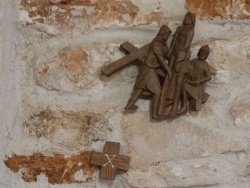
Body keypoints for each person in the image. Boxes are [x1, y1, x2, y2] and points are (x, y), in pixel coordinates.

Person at [125, 25, 172, 119]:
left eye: (168, 35)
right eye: (167, 34)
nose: (167, 36)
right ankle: (155, 113)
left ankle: (129, 105)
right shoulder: (157, 43)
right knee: (157, 92)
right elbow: (161, 59)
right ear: (162, 33)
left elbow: (168, 55)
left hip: (148, 69)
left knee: (140, 88)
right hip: (149, 69)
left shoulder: (162, 44)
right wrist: (168, 70)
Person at [158, 12, 196, 117]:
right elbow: (174, 41)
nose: (186, 18)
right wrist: (170, 54)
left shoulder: (190, 31)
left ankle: (176, 107)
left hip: (183, 59)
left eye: (189, 17)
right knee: (169, 80)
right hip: (174, 57)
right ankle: (165, 105)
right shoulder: (179, 28)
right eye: (186, 16)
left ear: (192, 20)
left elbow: (186, 47)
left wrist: (179, 61)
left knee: (179, 83)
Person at [178, 45, 211, 113]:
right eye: (202, 52)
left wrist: (199, 81)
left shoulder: (205, 64)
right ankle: (184, 106)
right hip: (190, 81)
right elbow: (188, 69)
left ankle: (185, 106)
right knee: (183, 86)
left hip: (197, 85)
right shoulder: (193, 61)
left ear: (207, 55)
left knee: (189, 90)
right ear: (199, 52)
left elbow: (209, 77)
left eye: (205, 53)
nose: (203, 54)